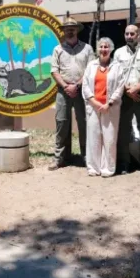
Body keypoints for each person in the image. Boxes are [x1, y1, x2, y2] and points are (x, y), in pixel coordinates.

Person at [49, 17, 93, 170]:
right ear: (63, 31)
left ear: (77, 30)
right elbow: (54, 71)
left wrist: (77, 85)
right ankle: (61, 157)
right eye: (67, 28)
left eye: (72, 28)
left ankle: (87, 156)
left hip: (82, 91)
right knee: (62, 122)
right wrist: (66, 86)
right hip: (63, 91)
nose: (69, 30)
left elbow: (90, 70)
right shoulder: (58, 49)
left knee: (84, 123)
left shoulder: (87, 49)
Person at [115, 24, 140, 175]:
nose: (129, 36)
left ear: (138, 35)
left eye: (132, 34)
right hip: (125, 96)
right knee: (124, 129)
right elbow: (116, 75)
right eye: (127, 34)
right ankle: (125, 162)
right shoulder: (118, 53)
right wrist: (127, 90)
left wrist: (137, 88)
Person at [82, 37, 125, 177]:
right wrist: (94, 101)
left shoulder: (117, 66)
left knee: (109, 138)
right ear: (97, 49)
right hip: (94, 107)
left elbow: (120, 87)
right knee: (93, 137)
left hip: (110, 107)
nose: (103, 49)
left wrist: (110, 103)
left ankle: (108, 168)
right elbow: (85, 85)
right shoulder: (91, 66)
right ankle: (93, 167)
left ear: (111, 49)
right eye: (101, 47)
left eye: (106, 47)